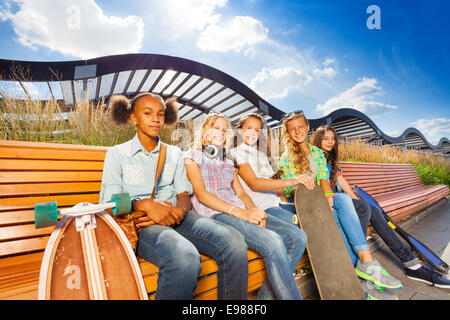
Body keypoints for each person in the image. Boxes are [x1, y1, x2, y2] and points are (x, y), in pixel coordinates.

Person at [99, 93, 250, 300]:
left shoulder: (174, 153)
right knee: (185, 257)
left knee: (234, 241)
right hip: (144, 224)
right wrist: (144, 205)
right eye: (147, 113)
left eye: (160, 114)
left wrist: (179, 211)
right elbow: (109, 201)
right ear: (133, 118)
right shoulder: (117, 153)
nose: (155, 118)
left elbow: (183, 194)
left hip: (179, 217)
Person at [278, 111, 403, 299]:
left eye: (301, 127)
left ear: (308, 127)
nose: (297, 131)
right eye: (292, 129)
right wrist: (317, 199)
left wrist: (328, 198)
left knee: (340, 203)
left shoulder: (318, 154)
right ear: (288, 132)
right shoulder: (286, 157)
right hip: (303, 204)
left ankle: (365, 265)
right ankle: (365, 277)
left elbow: (323, 178)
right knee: (342, 203)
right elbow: (292, 191)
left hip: (320, 198)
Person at [184, 111, 307, 300]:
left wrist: (254, 211)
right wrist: (241, 212)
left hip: (239, 211)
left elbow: (240, 193)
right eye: (216, 128)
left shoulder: (226, 161)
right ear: (205, 130)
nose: (221, 133)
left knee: (294, 237)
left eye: (225, 130)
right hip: (216, 214)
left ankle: (264, 298)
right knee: (273, 242)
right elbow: (201, 194)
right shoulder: (193, 156)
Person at [311, 124, 450, 290]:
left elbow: (341, 181)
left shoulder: (330, 160)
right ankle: (399, 264)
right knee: (367, 210)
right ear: (317, 140)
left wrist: (356, 199)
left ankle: (407, 264)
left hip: (342, 203)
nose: (330, 142)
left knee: (371, 210)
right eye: (326, 138)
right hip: (329, 204)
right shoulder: (313, 157)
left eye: (333, 139)